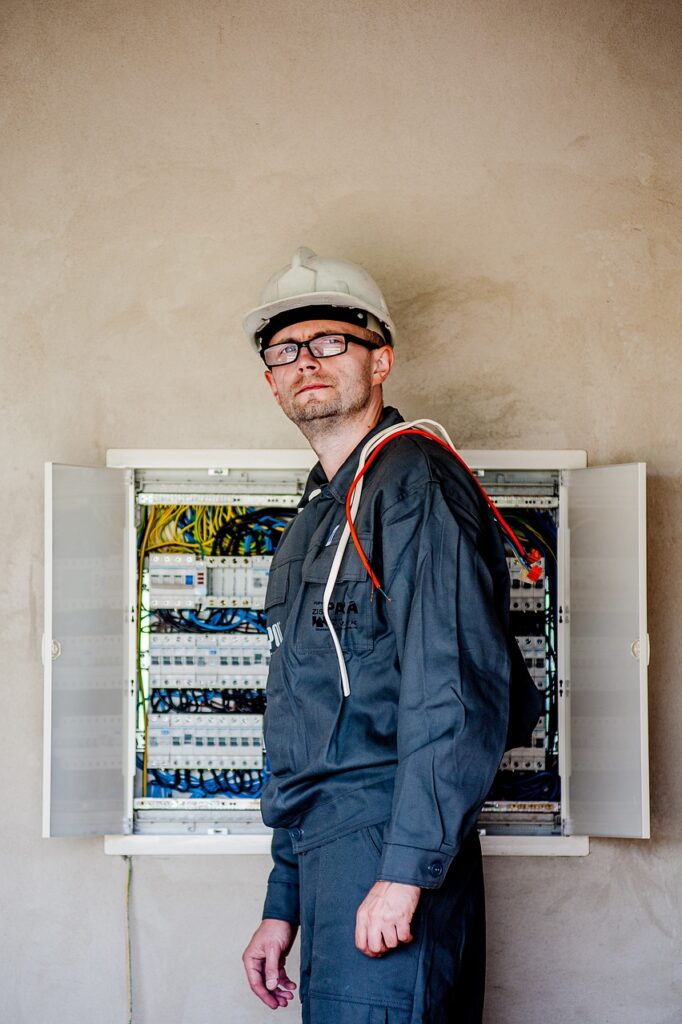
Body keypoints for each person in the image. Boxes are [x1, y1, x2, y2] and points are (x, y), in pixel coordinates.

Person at [241, 248, 541, 1024]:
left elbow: (456, 691)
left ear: (382, 362)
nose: (306, 361)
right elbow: (304, 721)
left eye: (332, 341)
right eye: (286, 350)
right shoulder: (317, 515)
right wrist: (286, 901)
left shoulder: (414, 484)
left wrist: (404, 871)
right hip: (332, 856)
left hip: (390, 848)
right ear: (270, 379)